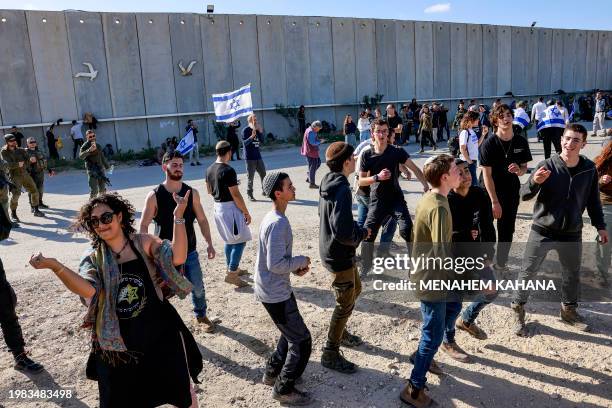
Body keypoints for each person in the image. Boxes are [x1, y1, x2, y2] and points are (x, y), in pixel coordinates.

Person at [29, 192, 202, 408]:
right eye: (94, 221)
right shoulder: (93, 257)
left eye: (106, 217)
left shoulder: (143, 242)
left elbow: (178, 257)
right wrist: (56, 267)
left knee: (181, 394)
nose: (101, 225)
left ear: (119, 216)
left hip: (160, 333)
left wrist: (178, 216)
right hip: (118, 344)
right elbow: (88, 291)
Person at [512, 124, 608, 336]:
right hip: (543, 230)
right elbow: (524, 195)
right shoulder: (547, 165)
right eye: (567, 138)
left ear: (583, 144)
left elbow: (593, 202)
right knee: (528, 271)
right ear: (561, 139)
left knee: (571, 274)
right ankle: (518, 309)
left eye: (575, 140)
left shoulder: (589, 169)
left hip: (572, 232)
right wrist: (534, 183)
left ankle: (569, 311)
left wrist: (600, 226)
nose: (569, 144)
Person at [400, 154, 462, 408]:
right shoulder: (438, 206)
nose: (461, 173)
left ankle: (423, 355)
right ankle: (414, 388)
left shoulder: (433, 196)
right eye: (457, 170)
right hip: (432, 279)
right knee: (433, 333)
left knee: (455, 306)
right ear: (445, 177)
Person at [140, 151, 217, 333]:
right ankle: (162, 323)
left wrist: (209, 243)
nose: (178, 168)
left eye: (181, 165)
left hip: (189, 251)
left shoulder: (192, 193)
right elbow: (143, 225)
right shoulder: (154, 195)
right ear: (164, 166)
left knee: (197, 286)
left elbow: (203, 220)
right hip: (163, 255)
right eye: (174, 164)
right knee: (161, 291)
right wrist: (145, 251)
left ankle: (201, 315)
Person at [256, 171, 313, 406]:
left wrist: (293, 269)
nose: (294, 188)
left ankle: (271, 374)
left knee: (287, 333)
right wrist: (300, 260)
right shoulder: (278, 223)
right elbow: (275, 263)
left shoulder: (273, 217)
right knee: (301, 342)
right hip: (275, 294)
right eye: (289, 186)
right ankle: (283, 388)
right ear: (278, 193)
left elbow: (275, 261)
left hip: (273, 289)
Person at [319, 142, 370, 373]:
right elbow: (342, 230)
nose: (356, 159)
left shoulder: (328, 180)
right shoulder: (340, 188)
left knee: (355, 290)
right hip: (339, 254)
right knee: (345, 302)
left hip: (334, 251)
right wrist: (361, 233)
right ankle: (330, 352)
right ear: (347, 161)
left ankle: (341, 331)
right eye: (354, 156)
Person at [359, 118, 429, 275]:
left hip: (396, 199)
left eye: (385, 131)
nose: (382, 134)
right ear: (372, 133)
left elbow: (415, 168)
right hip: (377, 200)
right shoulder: (367, 155)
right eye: (378, 131)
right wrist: (377, 177)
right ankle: (365, 267)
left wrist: (425, 185)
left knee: (407, 230)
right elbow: (361, 181)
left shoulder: (396, 151)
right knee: (368, 233)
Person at [448, 159, 498, 340]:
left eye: (467, 171)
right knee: (454, 302)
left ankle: (467, 320)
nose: (465, 176)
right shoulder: (445, 199)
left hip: (476, 251)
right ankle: (448, 340)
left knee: (492, 290)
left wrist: (488, 255)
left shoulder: (479, 193)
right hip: (452, 257)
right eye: (459, 172)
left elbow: (487, 227)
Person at [479, 104, 532, 272]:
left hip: (510, 192)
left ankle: (501, 263)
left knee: (507, 230)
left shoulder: (521, 141)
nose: (506, 118)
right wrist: (494, 201)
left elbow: (524, 168)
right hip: (489, 192)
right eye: (502, 116)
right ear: (495, 120)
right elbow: (486, 176)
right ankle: (486, 262)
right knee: (486, 229)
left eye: (509, 115)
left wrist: (519, 170)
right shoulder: (488, 144)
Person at [205, 141, 251, 288]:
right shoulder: (228, 170)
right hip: (229, 208)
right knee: (240, 240)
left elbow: (209, 191)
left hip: (217, 207)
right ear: (229, 151)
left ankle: (232, 268)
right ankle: (232, 273)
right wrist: (246, 212)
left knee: (229, 239)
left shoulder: (209, 169)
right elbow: (236, 195)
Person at [1, 134, 45, 221]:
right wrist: (17, 164)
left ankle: (36, 209)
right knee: (16, 195)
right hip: (14, 176)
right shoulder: (4, 152)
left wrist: (30, 160)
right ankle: (13, 213)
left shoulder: (20, 150)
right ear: (7, 142)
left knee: (34, 190)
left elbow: (27, 159)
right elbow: (5, 165)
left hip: (25, 174)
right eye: (11, 141)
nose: (14, 142)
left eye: (14, 140)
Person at [594, 143, 612, 287]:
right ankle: (602, 274)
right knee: (605, 240)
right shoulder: (603, 160)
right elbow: (589, 184)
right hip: (608, 204)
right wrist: (600, 181)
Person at [242, 114, 267, 201]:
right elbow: (244, 143)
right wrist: (251, 137)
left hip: (258, 156)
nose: (255, 121)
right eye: (254, 120)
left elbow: (263, 141)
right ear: (249, 121)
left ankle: (265, 191)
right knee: (250, 177)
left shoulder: (257, 129)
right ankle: (250, 194)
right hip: (249, 158)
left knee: (263, 174)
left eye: (256, 120)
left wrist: (260, 132)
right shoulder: (246, 130)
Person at [80, 130, 111, 199]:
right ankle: (90, 206)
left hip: (100, 169)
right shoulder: (85, 146)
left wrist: (108, 167)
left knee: (102, 189)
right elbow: (81, 156)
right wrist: (89, 150)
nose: (92, 138)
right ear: (87, 137)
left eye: (93, 136)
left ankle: (102, 203)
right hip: (92, 171)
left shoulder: (98, 146)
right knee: (94, 190)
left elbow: (102, 157)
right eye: (90, 137)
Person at [458, 110, 486, 186]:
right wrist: (469, 161)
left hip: (472, 161)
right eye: (477, 119)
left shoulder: (471, 131)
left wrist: (483, 135)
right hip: (467, 162)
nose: (478, 121)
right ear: (471, 120)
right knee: (473, 184)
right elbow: (462, 149)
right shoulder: (465, 132)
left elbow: (476, 145)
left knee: (473, 183)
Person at [25, 137, 51, 210]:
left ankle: (40, 203)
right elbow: (23, 164)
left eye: (34, 142)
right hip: (31, 174)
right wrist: (29, 162)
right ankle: (32, 206)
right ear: (27, 144)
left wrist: (49, 170)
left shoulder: (39, 151)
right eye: (31, 142)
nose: (33, 143)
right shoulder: (25, 152)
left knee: (40, 189)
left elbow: (43, 162)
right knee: (32, 190)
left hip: (40, 173)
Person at [301, 120, 325, 189]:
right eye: (318, 129)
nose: (318, 131)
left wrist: (319, 140)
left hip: (310, 151)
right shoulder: (311, 132)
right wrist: (320, 141)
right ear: (314, 126)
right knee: (313, 167)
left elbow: (313, 140)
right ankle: (312, 184)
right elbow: (312, 142)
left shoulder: (310, 129)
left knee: (318, 163)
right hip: (311, 151)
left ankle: (309, 176)